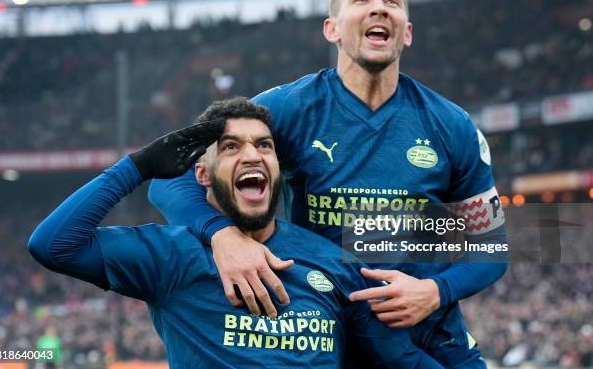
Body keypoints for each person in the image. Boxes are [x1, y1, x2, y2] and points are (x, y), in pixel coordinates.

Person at [149, 0, 508, 367]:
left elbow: (490, 245)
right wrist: (222, 234)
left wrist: (436, 291)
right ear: (332, 29)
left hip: (429, 336)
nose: (379, 8)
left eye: (392, 0)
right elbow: (169, 178)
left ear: (406, 32)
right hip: (327, 337)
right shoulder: (287, 109)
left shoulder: (450, 124)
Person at [28, 98, 443, 368]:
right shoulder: (169, 256)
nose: (252, 154)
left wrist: (440, 288)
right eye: (231, 147)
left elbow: (398, 358)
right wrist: (137, 167)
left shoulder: (444, 122)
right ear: (202, 174)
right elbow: (52, 245)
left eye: (264, 146)